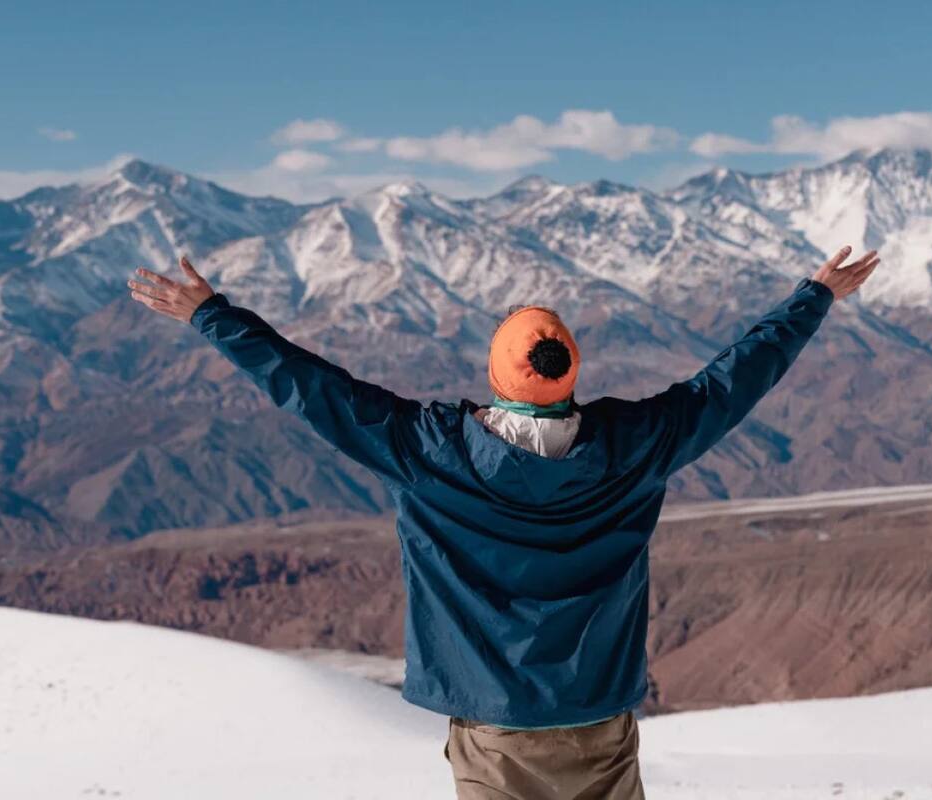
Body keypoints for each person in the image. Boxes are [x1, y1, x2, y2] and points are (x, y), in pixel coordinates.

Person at [128, 245, 880, 799]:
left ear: (496, 375)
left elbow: (313, 388)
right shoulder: (636, 445)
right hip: (599, 720)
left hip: (493, 729)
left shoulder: (431, 451)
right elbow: (733, 380)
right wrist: (813, 296)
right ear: (569, 374)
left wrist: (212, 316)